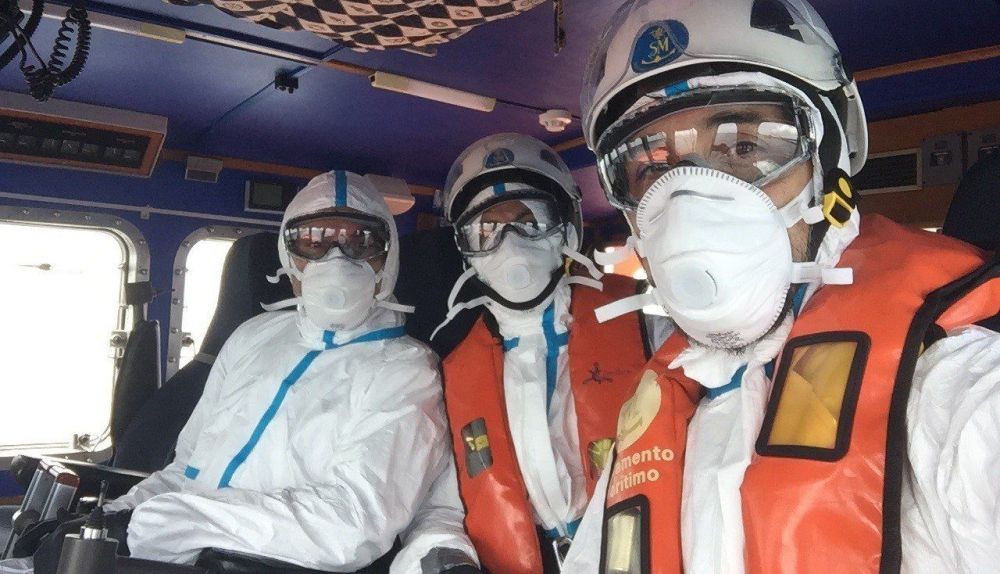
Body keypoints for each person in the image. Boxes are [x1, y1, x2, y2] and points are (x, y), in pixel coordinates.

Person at [562, 1, 1000, 573]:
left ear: (829, 162)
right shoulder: (671, 396)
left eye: (743, 147)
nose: (688, 202)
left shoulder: (954, 387)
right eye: (651, 168)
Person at [27, 170, 478, 573]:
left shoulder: (406, 370)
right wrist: (112, 519)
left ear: (388, 258)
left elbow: (351, 525)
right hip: (169, 552)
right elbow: (187, 470)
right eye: (314, 241)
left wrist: (170, 523)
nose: (336, 260)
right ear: (288, 255)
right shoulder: (253, 336)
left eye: (361, 242)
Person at [431, 133, 670, 573]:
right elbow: (441, 506)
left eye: (529, 220)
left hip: (633, 551)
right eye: (487, 229)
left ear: (567, 228)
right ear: (467, 251)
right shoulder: (450, 364)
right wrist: (445, 559)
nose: (510, 242)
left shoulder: (643, 320)